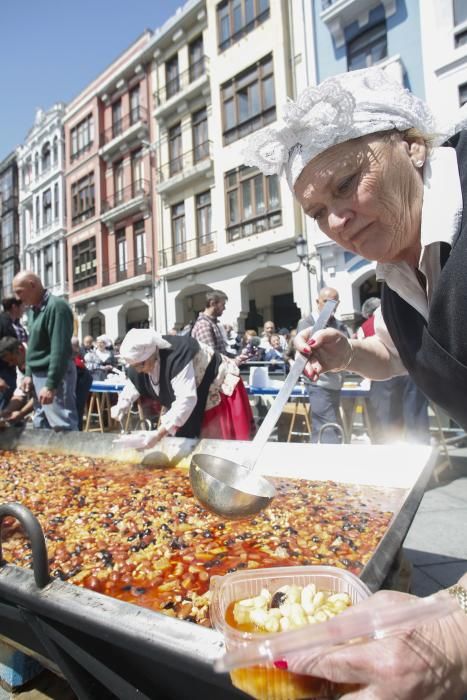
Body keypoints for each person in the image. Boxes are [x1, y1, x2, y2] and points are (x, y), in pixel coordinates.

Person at [244, 65, 467, 696]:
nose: (337, 219)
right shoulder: (399, 267)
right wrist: (348, 355)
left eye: (348, 183)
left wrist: (458, 633)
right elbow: (405, 350)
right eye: (317, 211)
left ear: (413, 143)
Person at [111, 328, 253, 449]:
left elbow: (186, 400)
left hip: (215, 386)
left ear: (151, 354)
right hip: (194, 393)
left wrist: (158, 434)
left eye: (140, 365)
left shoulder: (176, 356)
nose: (139, 371)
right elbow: (134, 384)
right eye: (134, 366)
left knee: (220, 444)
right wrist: (121, 405)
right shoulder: (141, 363)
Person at [357, 298, 430, 444]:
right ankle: (419, 454)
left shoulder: (364, 327)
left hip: (384, 376)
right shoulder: (403, 315)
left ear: (367, 313)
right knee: (415, 416)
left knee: (388, 420)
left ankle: (391, 453)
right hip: (412, 371)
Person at [12, 271, 78, 431]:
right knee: (41, 425)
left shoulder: (56, 307)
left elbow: (59, 349)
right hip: (39, 374)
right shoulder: (35, 310)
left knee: (62, 425)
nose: (18, 298)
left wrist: (51, 384)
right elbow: (34, 345)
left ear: (32, 285)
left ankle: (71, 457)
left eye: (20, 291)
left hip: (52, 373)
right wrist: (28, 374)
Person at [304, 287, 349, 444]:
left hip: (336, 383)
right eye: (326, 301)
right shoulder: (306, 323)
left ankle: (315, 462)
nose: (331, 305)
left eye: (334, 302)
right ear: (317, 302)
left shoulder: (340, 325)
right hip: (318, 383)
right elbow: (302, 353)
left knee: (322, 427)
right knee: (328, 428)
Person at [191, 290, 248, 365]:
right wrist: (233, 361)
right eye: (223, 304)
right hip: (212, 375)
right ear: (213, 303)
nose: (224, 308)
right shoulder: (204, 324)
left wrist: (237, 357)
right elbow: (211, 357)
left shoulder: (212, 323)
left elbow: (221, 353)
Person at [0, 297, 26, 410]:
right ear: (14, 307)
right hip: (3, 372)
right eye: (22, 306)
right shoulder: (2, 322)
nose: (24, 309)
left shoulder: (17, 324)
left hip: (14, 370)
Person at [0, 337, 34, 425]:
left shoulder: (36, 357)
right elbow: (20, 394)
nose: (11, 364)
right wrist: (7, 411)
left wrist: (21, 413)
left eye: (12, 360)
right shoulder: (20, 362)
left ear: (20, 349)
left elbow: (40, 396)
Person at [71, 336, 93, 431]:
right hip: (82, 378)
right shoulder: (77, 357)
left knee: (77, 409)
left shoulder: (76, 362)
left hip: (82, 379)